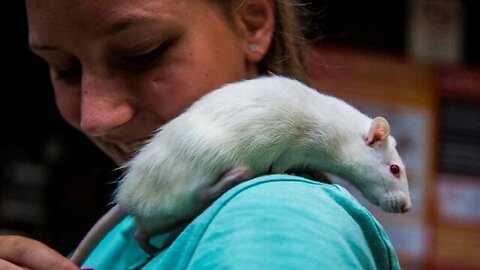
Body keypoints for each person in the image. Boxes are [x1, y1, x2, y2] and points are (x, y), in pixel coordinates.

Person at [0, 0, 401, 269]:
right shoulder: (149, 224)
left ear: (253, 23)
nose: (94, 117)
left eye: (143, 51)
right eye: (63, 68)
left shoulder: (278, 218)